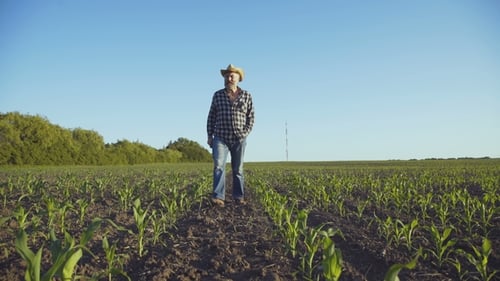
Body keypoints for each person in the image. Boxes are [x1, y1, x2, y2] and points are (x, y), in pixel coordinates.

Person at [207, 64, 255, 206]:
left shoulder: (246, 95)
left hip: (239, 138)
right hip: (221, 136)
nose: (229, 78)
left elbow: (251, 117)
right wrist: (210, 135)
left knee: (238, 169)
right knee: (219, 166)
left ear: (239, 78)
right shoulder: (218, 95)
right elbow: (211, 116)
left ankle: (238, 197)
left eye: (232, 75)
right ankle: (218, 197)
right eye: (227, 76)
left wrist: (244, 133)